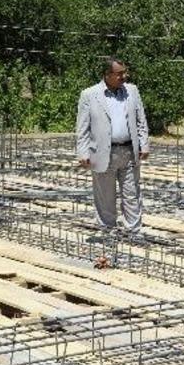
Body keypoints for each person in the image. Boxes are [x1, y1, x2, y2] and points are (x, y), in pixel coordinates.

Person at [76, 57, 150, 238]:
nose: (124, 76)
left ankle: (134, 232)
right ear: (107, 75)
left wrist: (144, 143)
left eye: (125, 72)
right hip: (103, 152)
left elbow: (141, 120)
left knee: (132, 194)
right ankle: (107, 232)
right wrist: (83, 152)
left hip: (128, 152)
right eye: (119, 74)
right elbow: (82, 127)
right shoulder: (90, 94)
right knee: (105, 196)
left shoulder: (132, 91)